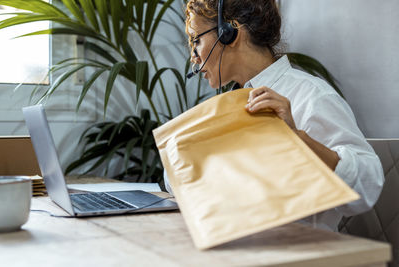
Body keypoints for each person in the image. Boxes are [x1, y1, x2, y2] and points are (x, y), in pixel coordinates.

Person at [164, 0, 384, 231]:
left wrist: (297, 138)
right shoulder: (225, 105)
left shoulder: (311, 96)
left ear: (228, 33)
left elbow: (367, 189)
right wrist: (186, 155)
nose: (193, 57)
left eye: (196, 40)